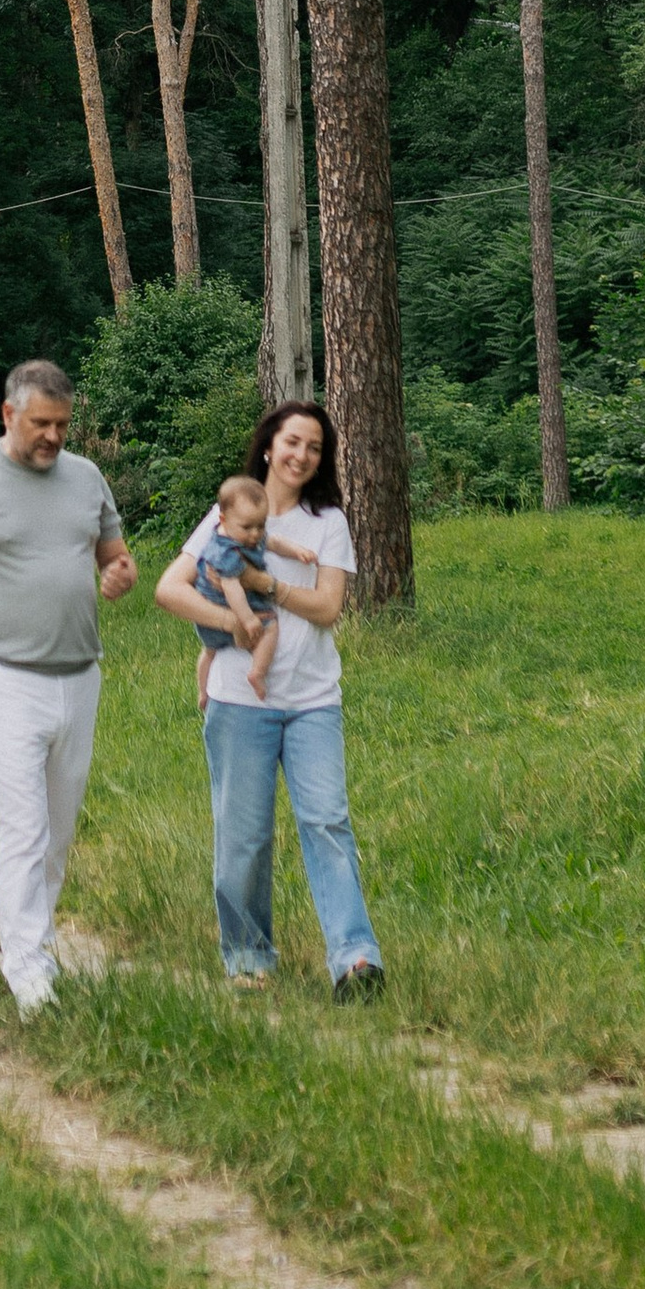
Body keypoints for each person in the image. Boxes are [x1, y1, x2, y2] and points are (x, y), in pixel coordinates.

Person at [0, 357, 136, 1019]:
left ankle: (36, 943)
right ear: (9, 414)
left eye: (63, 424)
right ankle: (28, 970)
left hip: (80, 675)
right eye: (41, 423)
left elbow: (116, 558)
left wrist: (120, 576)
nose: (54, 436)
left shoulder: (86, 477)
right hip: (5, 677)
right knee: (24, 828)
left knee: (58, 834)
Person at [155, 398, 383, 1001]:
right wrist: (232, 624)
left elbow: (328, 607)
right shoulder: (227, 514)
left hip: (313, 700)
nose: (302, 455)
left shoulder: (327, 522)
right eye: (292, 442)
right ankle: (249, 956)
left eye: (314, 447)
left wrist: (266, 586)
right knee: (244, 838)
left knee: (327, 822)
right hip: (238, 703)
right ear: (268, 446)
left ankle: (355, 959)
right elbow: (169, 589)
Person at [188, 473, 282, 703]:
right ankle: (257, 672)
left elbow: (272, 542)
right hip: (226, 613)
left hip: (206, 623)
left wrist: (297, 552)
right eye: (247, 527)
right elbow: (232, 589)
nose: (255, 534)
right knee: (271, 626)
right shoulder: (227, 552)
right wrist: (247, 619)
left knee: (209, 652)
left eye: (261, 525)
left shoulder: (240, 534)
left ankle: (203, 692)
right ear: (223, 519)